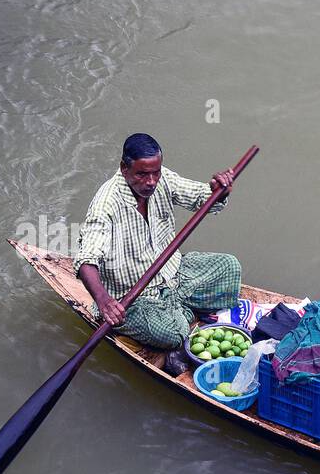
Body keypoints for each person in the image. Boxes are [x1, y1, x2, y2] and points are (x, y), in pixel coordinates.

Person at [76, 133, 241, 350]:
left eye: (156, 173)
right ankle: (177, 313)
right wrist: (104, 301)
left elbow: (200, 198)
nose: (151, 181)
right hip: (132, 297)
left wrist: (218, 191)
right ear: (125, 169)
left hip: (172, 276)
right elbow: (86, 259)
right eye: (143, 174)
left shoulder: (161, 179)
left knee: (229, 267)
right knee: (175, 334)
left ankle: (178, 309)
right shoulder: (106, 205)